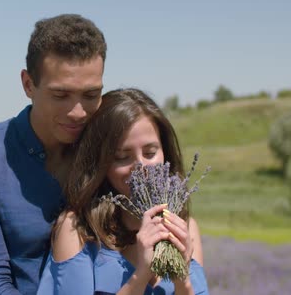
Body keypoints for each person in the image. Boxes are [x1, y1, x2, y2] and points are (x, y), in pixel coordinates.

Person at [0, 14, 107, 294]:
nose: (78, 112)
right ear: (28, 84)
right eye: (60, 95)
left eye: (91, 95)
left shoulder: (108, 155)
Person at [37, 88, 209, 295]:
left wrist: (182, 280)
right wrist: (141, 276)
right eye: (121, 156)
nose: (141, 167)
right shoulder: (77, 229)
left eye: (150, 152)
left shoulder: (185, 226)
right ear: (101, 164)